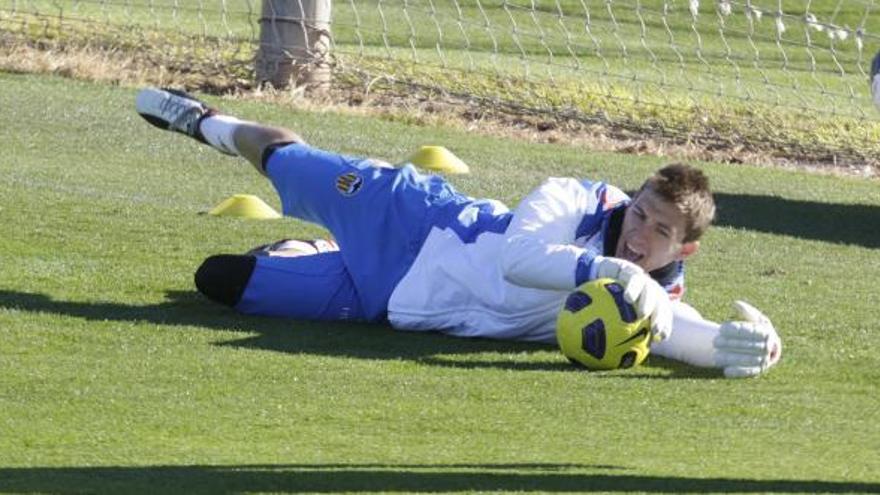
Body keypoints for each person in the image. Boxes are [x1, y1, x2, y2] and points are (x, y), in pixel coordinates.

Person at [135, 87, 782, 378]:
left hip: (385, 303)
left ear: (684, 248)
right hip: (408, 217)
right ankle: (206, 121)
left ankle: (313, 253)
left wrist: (734, 347)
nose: (639, 233)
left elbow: (675, 334)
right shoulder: (576, 200)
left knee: (218, 280)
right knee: (282, 158)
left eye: (659, 230)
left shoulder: (652, 292)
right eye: (640, 212)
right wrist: (611, 270)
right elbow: (522, 258)